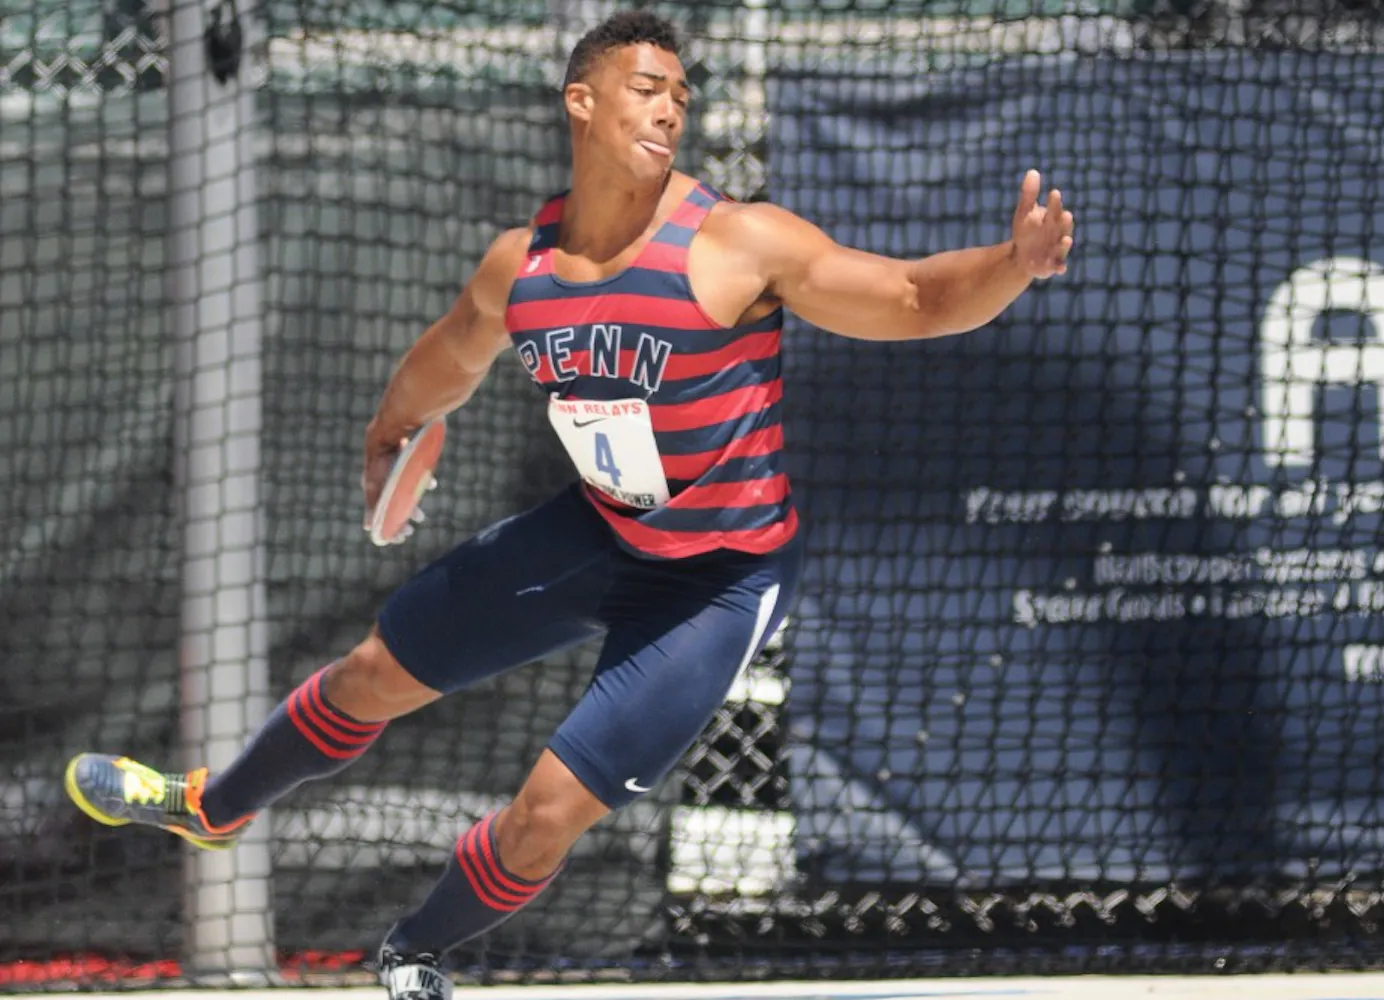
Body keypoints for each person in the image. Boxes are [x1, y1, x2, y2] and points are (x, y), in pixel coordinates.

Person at [63, 9, 1074, 998]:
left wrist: (1012, 266)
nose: (672, 109)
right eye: (648, 88)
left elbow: (909, 297)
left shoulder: (737, 243)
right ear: (580, 102)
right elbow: (452, 355)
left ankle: (413, 951)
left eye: (683, 96)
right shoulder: (523, 263)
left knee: (543, 815)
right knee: (372, 671)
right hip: (600, 529)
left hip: (718, 581)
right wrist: (387, 434)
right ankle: (212, 803)